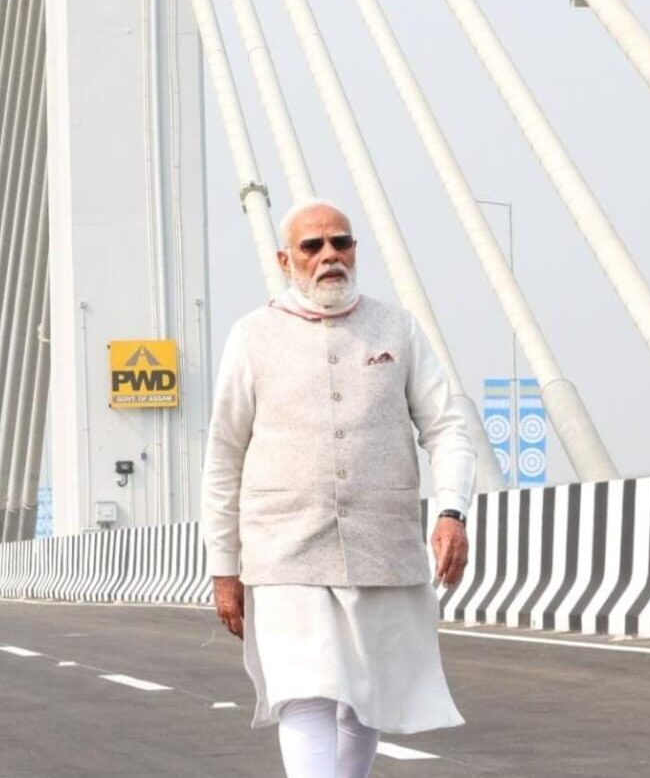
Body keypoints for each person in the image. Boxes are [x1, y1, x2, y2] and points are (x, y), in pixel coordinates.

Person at [201, 199, 473, 778]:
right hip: (285, 552)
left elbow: (448, 427)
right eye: (312, 246)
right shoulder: (252, 337)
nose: (329, 255)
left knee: (364, 701)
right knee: (305, 694)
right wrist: (224, 568)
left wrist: (452, 512)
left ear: (355, 251)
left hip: (383, 549)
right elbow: (223, 456)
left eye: (340, 243)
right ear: (285, 260)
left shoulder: (397, 327)